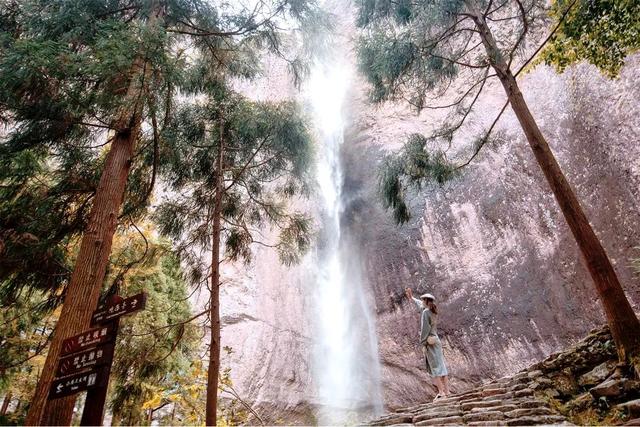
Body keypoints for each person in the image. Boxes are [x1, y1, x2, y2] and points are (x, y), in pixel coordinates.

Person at [405, 287, 450, 400]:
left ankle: (441, 392)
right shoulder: (433, 310)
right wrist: (412, 298)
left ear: (426, 301)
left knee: (435, 368)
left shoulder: (425, 312)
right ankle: (447, 391)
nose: (422, 302)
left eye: (423, 300)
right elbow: (421, 305)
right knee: (441, 366)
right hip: (436, 341)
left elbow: (425, 328)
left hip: (430, 342)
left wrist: (423, 342)